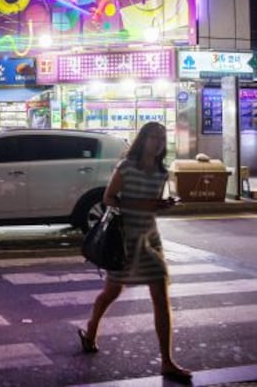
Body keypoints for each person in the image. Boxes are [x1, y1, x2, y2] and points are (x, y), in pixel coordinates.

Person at [78, 122, 192, 384]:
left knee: (161, 294)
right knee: (111, 292)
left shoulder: (162, 171)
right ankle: (91, 330)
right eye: (153, 137)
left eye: (162, 138)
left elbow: (152, 205)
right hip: (125, 239)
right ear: (143, 140)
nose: (158, 143)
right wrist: (145, 204)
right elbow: (108, 198)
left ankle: (167, 361)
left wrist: (162, 205)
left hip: (150, 238)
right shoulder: (126, 167)